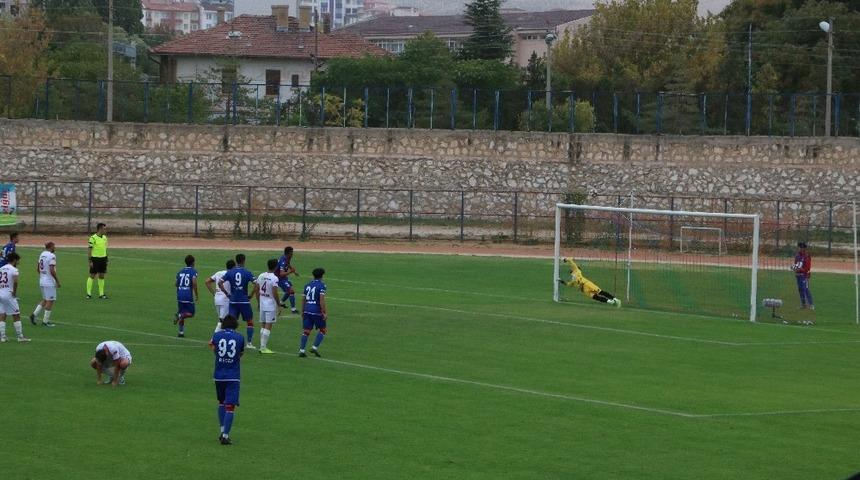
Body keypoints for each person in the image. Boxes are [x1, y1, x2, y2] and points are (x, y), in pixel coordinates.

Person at [209, 315, 245, 445]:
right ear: (235, 324)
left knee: (221, 402)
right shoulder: (240, 337)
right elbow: (240, 354)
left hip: (218, 374)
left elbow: (212, 346)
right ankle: (225, 435)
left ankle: (222, 430)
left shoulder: (217, 335)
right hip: (233, 376)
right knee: (230, 406)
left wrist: (219, 355)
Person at [218, 254, 258, 349]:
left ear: (236, 261)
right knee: (249, 321)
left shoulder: (230, 272)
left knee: (231, 322)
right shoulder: (247, 272)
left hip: (233, 301)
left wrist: (227, 293)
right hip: (244, 301)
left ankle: (229, 341)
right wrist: (251, 295)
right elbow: (257, 284)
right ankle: (249, 343)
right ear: (244, 261)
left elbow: (220, 283)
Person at [557, 257, 621, 307]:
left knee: (600, 292)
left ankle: (615, 299)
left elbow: (571, 261)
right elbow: (568, 284)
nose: (571, 269)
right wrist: (561, 281)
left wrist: (565, 259)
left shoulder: (577, 271)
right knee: (596, 297)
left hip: (587, 284)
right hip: (584, 290)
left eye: (572, 269)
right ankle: (610, 301)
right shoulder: (573, 280)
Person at [0, 252, 30, 342]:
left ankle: (2, 337)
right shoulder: (14, 269)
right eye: (17, 260)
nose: (18, 262)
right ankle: (20, 337)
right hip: (9, 294)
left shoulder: (1, 268)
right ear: (14, 260)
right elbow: (16, 282)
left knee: (2, 314)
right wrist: (14, 293)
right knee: (16, 314)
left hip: (0, 293)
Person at [299, 267, 328, 358]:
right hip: (316, 310)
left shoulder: (307, 285)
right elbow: (321, 300)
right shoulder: (322, 285)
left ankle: (302, 350)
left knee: (306, 331)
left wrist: (303, 310)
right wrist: (324, 312)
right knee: (323, 330)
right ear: (322, 276)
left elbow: (303, 299)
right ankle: (314, 347)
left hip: (307, 309)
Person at [30, 242, 59, 327]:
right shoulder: (52, 256)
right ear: (50, 247)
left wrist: (43, 276)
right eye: (54, 246)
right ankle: (45, 322)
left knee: (45, 299)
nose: (55, 248)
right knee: (50, 300)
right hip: (49, 282)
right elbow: (52, 270)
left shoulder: (42, 254)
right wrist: (57, 281)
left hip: (42, 280)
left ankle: (34, 315)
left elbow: (38, 268)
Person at [256, 259, 281, 355]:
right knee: (268, 325)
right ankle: (263, 347)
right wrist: (279, 305)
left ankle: (262, 346)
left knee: (263, 325)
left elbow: (257, 289)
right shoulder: (274, 278)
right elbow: (275, 292)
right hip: (270, 305)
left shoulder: (261, 275)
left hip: (262, 303)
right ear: (276, 266)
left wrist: (258, 302)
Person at [206, 259, 235, 333]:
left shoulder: (219, 273)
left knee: (223, 319)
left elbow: (207, 281)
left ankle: (223, 336)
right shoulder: (231, 274)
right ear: (233, 267)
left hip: (217, 298)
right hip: (225, 299)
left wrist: (213, 293)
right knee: (222, 320)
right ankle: (213, 339)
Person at [175, 255, 199, 338]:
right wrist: (196, 294)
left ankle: (181, 332)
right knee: (191, 313)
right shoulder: (193, 271)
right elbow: (194, 283)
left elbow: (176, 284)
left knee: (182, 312)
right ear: (193, 262)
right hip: (187, 295)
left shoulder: (180, 271)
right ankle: (180, 316)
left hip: (180, 294)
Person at [86, 223, 109, 299]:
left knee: (102, 276)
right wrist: (90, 261)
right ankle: (88, 294)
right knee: (92, 275)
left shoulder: (105, 238)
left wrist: (107, 259)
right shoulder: (93, 238)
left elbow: (105, 249)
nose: (105, 230)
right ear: (100, 229)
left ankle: (101, 294)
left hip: (103, 259)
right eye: (104, 229)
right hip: (95, 259)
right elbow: (89, 249)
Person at [276, 246, 299, 314]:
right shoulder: (283, 260)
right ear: (288, 253)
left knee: (289, 290)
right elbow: (281, 274)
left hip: (283, 278)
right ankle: (293, 309)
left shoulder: (287, 258)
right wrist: (290, 272)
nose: (293, 254)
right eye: (292, 252)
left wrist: (294, 271)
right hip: (279, 278)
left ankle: (281, 303)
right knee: (290, 291)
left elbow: (288, 264)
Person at [792, 241, 814, 310]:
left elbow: (807, 267)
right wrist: (794, 268)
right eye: (799, 247)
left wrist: (801, 270)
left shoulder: (807, 256)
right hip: (798, 275)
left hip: (804, 275)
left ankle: (811, 304)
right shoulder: (797, 256)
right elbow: (796, 264)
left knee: (806, 289)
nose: (799, 249)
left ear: (804, 248)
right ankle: (803, 304)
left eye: (801, 247)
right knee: (800, 290)